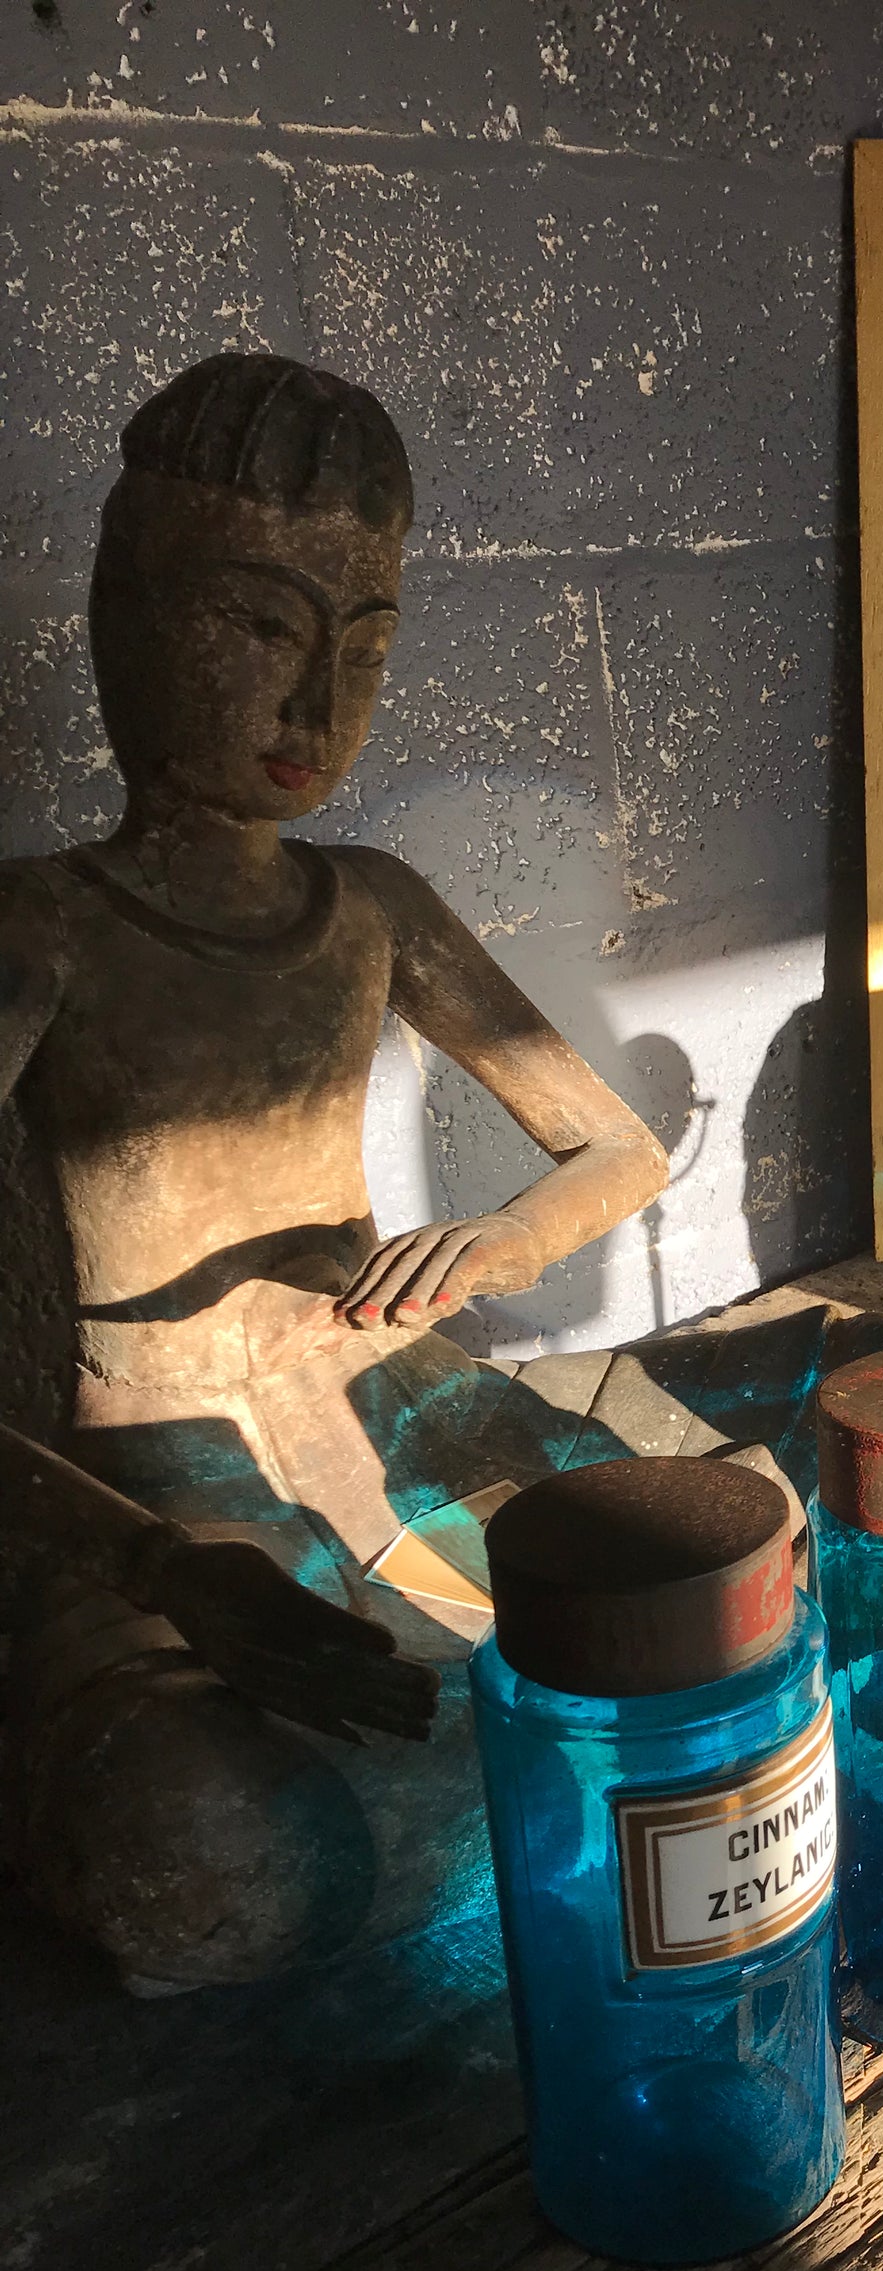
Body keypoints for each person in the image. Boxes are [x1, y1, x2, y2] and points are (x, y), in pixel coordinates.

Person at [0, 353, 673, 1991]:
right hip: (148, 1468)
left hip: (379, 1379)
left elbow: (617, 1147)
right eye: (259, 632)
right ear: (126, 615)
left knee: (717, 1568)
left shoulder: (367, 905)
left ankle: (520, 1807)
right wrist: (154, 1566)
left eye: (362, 648)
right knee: (198, 1844)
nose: (316, 710)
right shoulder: (43, 930)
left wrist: (498, 1243)